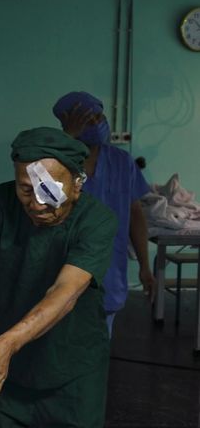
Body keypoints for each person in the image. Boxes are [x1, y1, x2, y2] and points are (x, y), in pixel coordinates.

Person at [0, 127, 117, 428]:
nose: (37, 204)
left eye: (50, 192)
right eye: (26, 190)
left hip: (71, 365)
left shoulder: (97, 220)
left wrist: (5, 346)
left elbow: (64, 292)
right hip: (7, 363)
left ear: (77, 186)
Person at [53, 91, 154, 336]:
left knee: (100, 340)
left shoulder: (121, 162)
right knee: (60, 331)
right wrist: (68, 139)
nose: (98, 124)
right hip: (63, 263)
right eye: (88, 120)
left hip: (110, 267)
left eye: (100, 117)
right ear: (68, 123)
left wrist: (144, 265)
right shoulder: (58, 161)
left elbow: (135, 214)